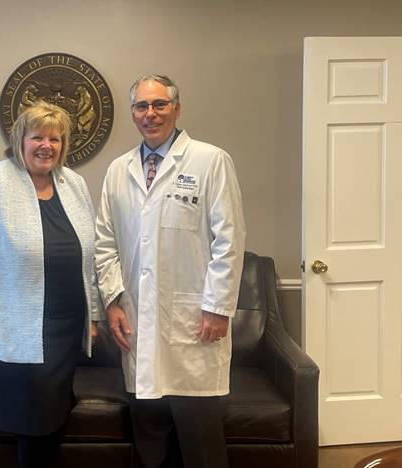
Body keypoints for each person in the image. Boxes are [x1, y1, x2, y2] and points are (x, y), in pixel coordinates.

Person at [95, 75, 246, 468]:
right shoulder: (119, 170)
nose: (151, 114)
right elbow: (105, 243)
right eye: (141, 106)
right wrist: (112, 301)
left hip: (193, 321)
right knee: (151, 434)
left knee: (200, 440)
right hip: (136, 320)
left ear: (177, 109)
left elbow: (229, 240)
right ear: (133, 114)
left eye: (159, 104)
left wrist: (217, 307)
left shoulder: (210, 161)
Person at [0, 101, 99, 468]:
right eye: (38, 137)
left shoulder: (74, 183)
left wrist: (92, 315)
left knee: (54, 417)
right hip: (16, 328)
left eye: (55, 138)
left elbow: (90, 256)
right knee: (34, 419)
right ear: (20, 139)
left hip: (67, 327)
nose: (47, 146)